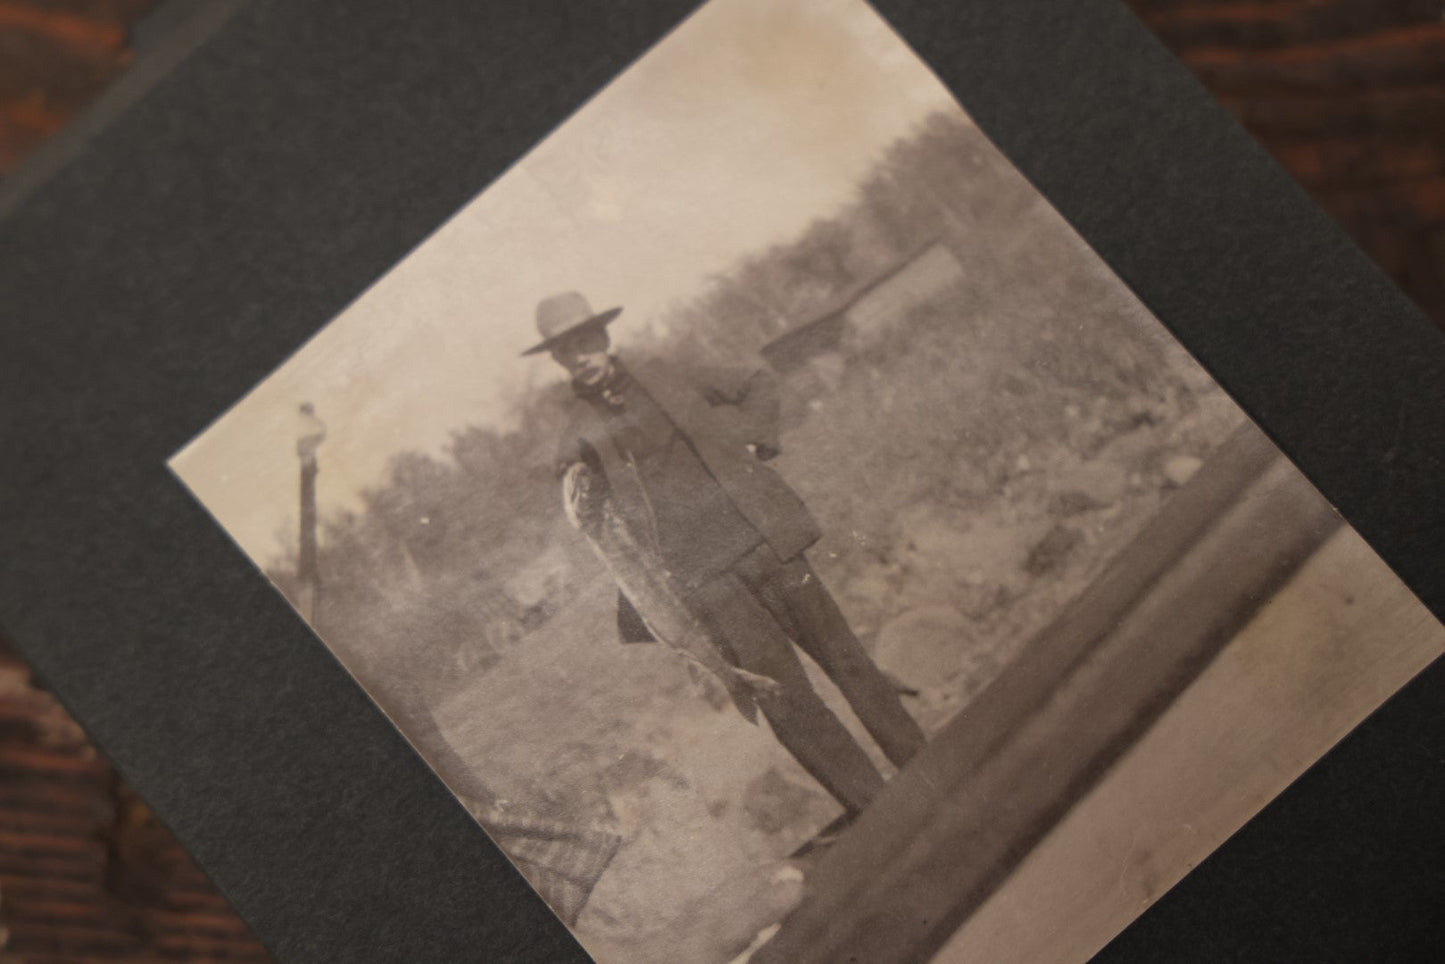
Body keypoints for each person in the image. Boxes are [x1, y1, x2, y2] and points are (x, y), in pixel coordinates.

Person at [525, 291, 925, 816]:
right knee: (788, 704)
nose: (580, 356)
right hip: (704, 582)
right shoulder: (574, 436)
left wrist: (753, 442)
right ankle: (877, 813)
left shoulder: (668, 372)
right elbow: (576, 502)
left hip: (764, 543)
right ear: (556, 360)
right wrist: (577, 486)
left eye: (585, 341)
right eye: (566, 350)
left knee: (848, 660)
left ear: (602, 337)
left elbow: (756, 382)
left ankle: (925, 767)